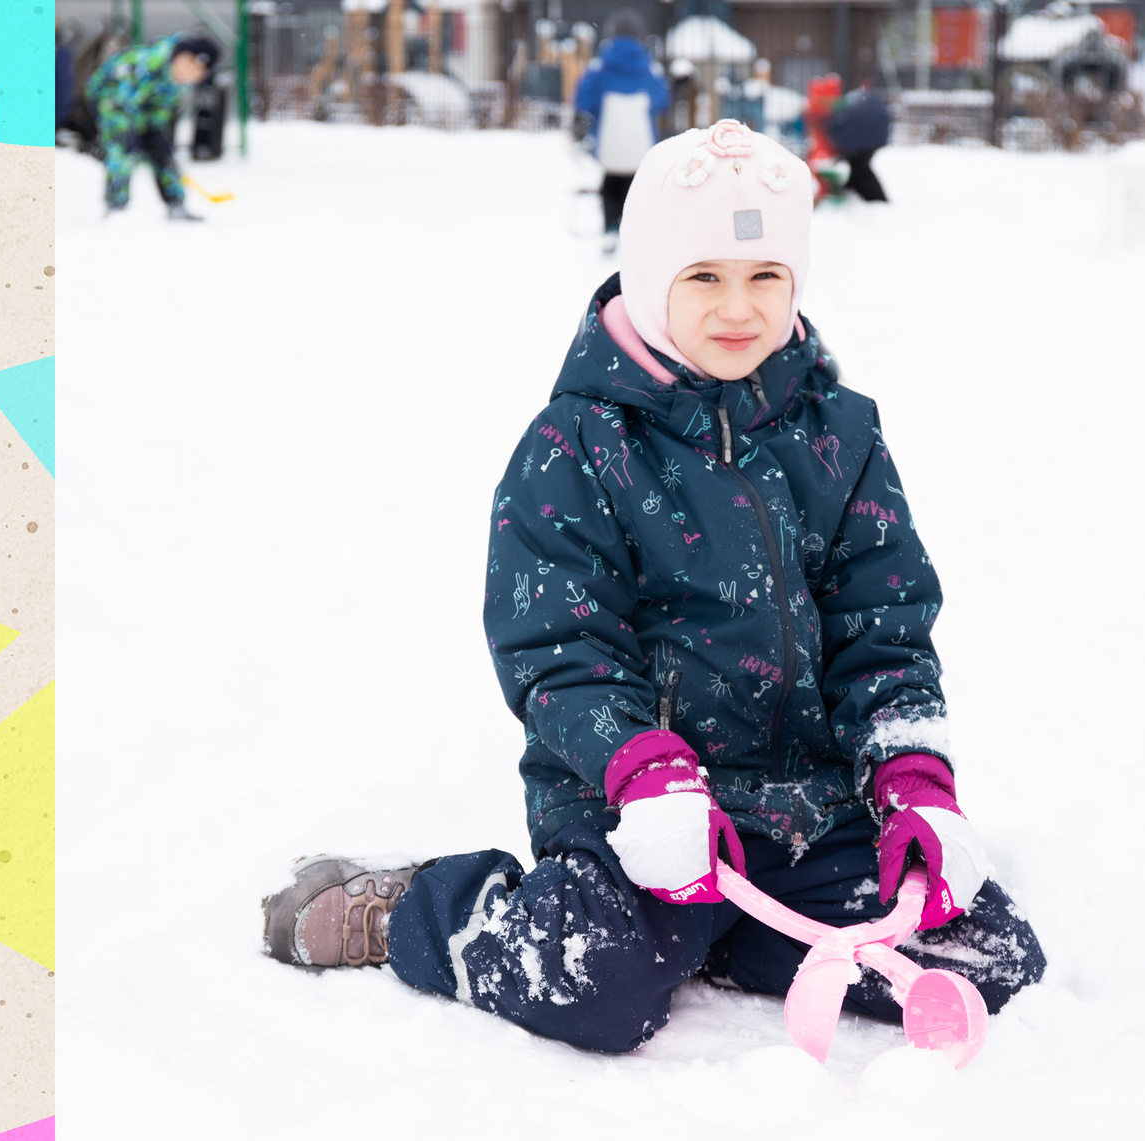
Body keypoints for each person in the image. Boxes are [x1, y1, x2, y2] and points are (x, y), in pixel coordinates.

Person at [263, 121, 1046, 1056]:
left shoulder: (839, 435)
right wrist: (644, 771)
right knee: (595, 985)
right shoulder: (577, 446)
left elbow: (884, 623)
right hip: (640, 807)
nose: (738, 307)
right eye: (704, 276)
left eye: (765, 277)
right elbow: (559, 644)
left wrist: (912, 779)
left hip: (807, 806)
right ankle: (421, 910)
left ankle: (753, 925)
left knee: (991, 956)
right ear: (648, 277)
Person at [88, 33, 219, 219]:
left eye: (196, 74)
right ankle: (116, 206)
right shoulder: (146, 63)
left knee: (162, 150)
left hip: (145, 104)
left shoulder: (181, 82)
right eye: (188, 65)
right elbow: (121, 101)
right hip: (111, 97)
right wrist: (136, 134)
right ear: (181, 55)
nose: (188, 74)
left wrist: (157, 132)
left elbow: (161, 108)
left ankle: (176, 204)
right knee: (122, 146)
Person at [574, 10, 670, 251]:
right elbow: (661, 101)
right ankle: (632, 229)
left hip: (609, 140)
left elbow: (584, 99)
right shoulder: (649, 68)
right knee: (635, 186)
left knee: (610, 183)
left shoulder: (600, 66)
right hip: (641, 142)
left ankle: (609, 228)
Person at [826, 84, 893, 203]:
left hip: (865, 140)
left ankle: (877, 200)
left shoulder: (843, 109)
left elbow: (837, 130)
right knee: (858, 166)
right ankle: (852, 188)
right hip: (872, 137)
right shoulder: (857, 104)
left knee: (860, 168)